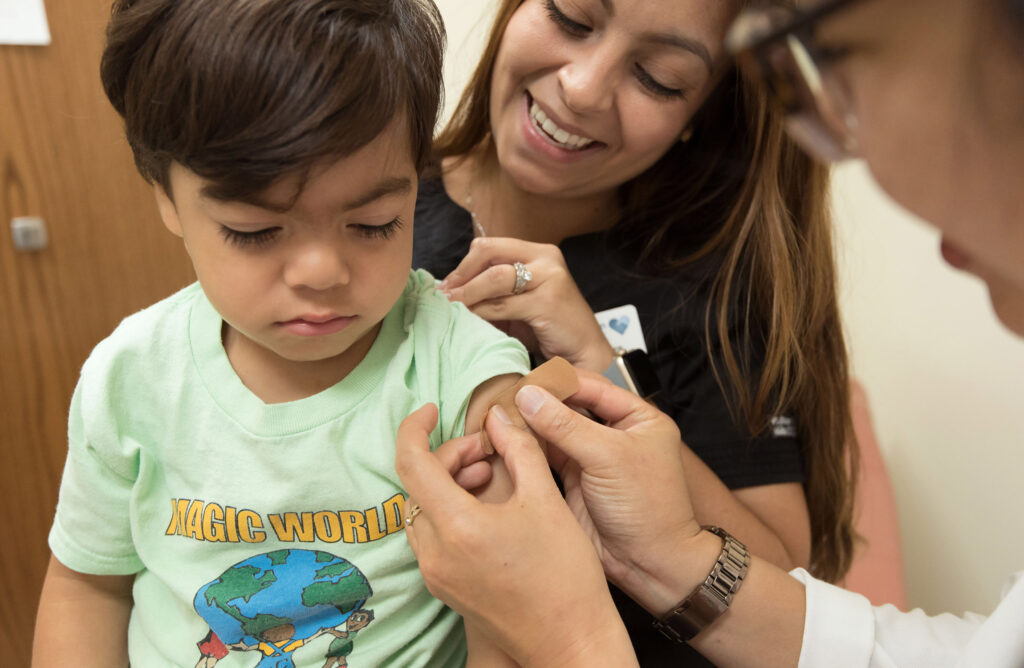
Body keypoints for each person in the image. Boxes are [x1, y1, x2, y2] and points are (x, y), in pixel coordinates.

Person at [396, 0, 1024, 665]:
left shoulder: (710, 294)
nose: (580, 89)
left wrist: (603, 368)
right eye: (571, 17)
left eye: (659, 78)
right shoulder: (374, 208)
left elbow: (785, 576)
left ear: (704, 113)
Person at [30, 1, 531, 666]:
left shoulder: (458, 366)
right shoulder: (130, 376)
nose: (322, 272)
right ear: (164, 196)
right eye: (255, 231)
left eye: (375, 221)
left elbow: (513, 601)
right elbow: (88, 587)